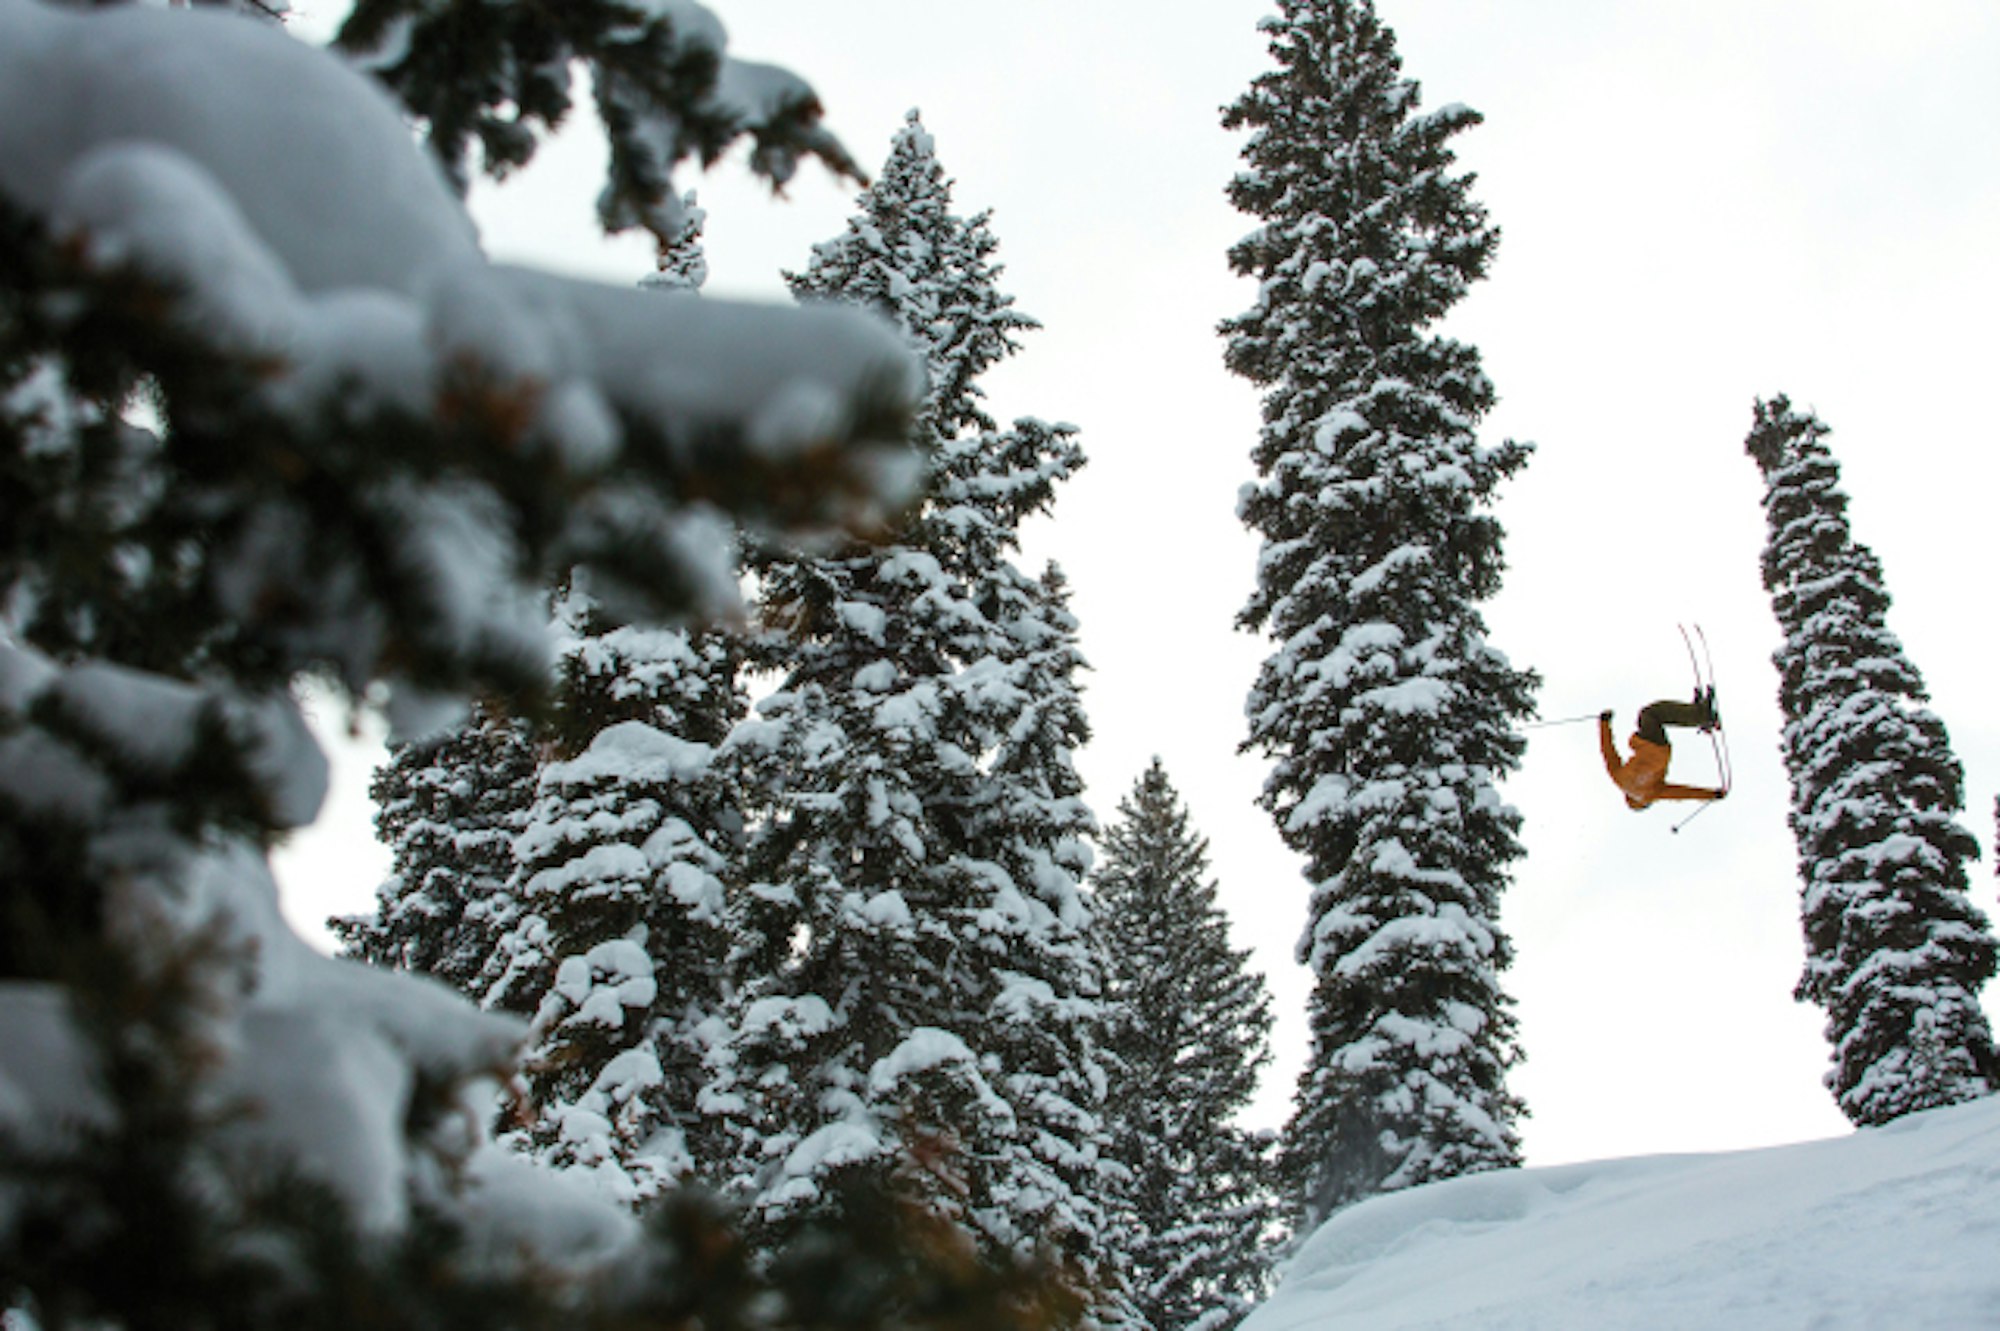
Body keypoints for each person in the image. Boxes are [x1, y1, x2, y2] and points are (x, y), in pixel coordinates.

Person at [1600, 688, 1723, 810]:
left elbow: (1682, 793)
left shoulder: (1651, 794)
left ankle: (1695, 714)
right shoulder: (1620, 780)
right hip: (1646, 744)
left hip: (1661, 752)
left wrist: (1711, 794)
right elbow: (1608, 750)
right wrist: (1604, 722)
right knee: (1650, 715)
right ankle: (1701, 716)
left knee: (1655, 717)